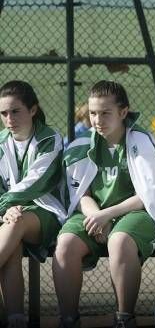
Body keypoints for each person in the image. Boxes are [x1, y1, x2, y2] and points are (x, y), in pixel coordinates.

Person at [53, 80, 155, 328]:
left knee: (119, 241)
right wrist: (96, 216)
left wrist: (107, 215)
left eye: (106, 113)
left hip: (136, 213)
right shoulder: (80, 145)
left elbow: (148, 197)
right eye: (93, 113)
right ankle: (68, 319)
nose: (98, 120)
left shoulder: (142, 143)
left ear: (123, 112)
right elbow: (80, 194)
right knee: (65, 244)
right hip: (93, 214)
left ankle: (124, 318)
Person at [0, 80, 67, 328]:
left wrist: (8, 206)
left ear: (33, 110)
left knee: (15, 223)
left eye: (15, 111)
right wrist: (6, 208)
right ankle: (16, 319)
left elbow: (36, 184)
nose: (9, 119)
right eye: (4, 113)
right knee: (11, 246)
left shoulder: (50, 138)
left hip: (44, 211)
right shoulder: (0, 141)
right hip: (8, 214)